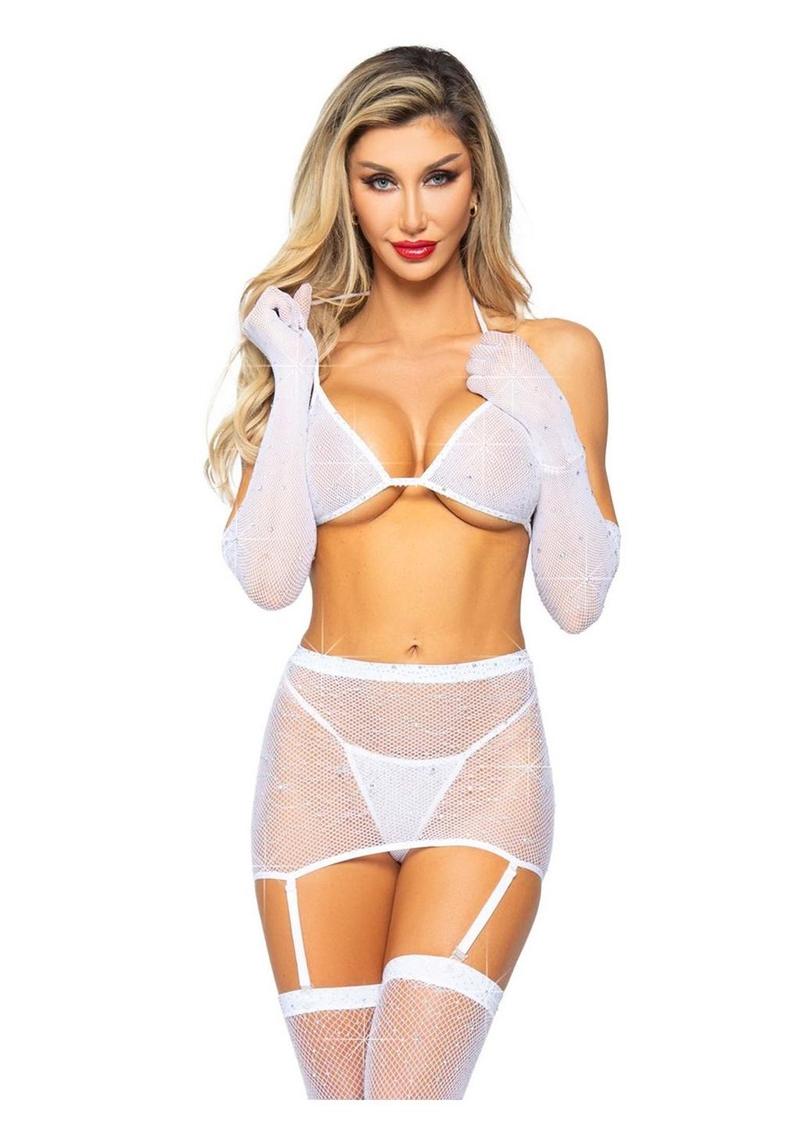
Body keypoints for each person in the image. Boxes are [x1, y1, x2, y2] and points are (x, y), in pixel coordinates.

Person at [207, 44, 621, 1100]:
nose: (412, 214)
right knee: (344, 1109)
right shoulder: (306, 355)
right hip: (320, 753)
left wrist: (552, 438)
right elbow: (268, 579)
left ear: (479, 180)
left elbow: (577, 603)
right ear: (343, 189)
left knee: (409, 1101)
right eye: (379, 180)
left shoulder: (556, 355)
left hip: (486, 757)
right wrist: (293, 373)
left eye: (438, 175)